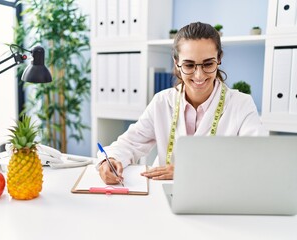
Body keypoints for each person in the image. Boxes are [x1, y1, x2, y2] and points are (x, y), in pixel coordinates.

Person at [97, 22, 268, 185]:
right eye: (189, 65)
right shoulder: (162, 102)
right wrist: (110, 159)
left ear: (219, 58)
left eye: (208, 64)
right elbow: (129, 143)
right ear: (176, 62)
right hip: (164, 194)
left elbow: (257, 161)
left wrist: (187, 171)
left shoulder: (241, 104)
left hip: (218, 194)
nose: (199, 75)